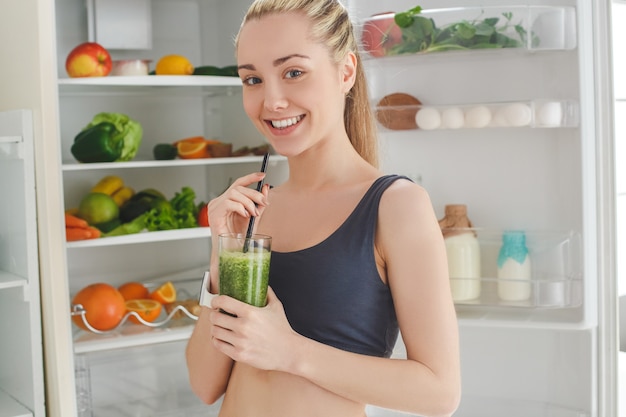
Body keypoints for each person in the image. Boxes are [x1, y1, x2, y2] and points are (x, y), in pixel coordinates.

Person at [185, 0, 461, 416]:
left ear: (345, 72)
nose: (271, 101)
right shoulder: (256, 209)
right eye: (253, 79)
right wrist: (221, 256)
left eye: (293, 72)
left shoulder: (395, 206)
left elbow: (439, 393)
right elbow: (205, 385)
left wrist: (290, 351)